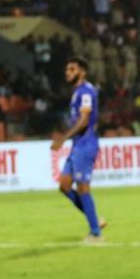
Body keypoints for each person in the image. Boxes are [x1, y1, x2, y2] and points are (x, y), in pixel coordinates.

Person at [52, 57, 105, 242]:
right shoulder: (77, 92)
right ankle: (95, 220)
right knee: (64, 186)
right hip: (77, 144)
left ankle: (96, 233)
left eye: (72, 69)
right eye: (67, 69)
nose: (68, 72)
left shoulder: (86, 91)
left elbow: (84, 121)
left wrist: (62, 139)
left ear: (82, 72)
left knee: (83, 188)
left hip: (86, 144)